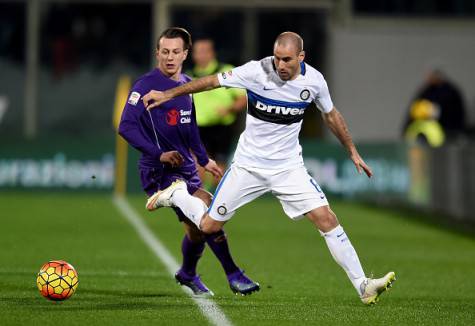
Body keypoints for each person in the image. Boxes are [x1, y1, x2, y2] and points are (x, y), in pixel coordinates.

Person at [143, 31, 396, 305]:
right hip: (248, 166)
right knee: (208, 225)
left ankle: (364, 285)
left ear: (301, 57)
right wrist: (169, 93)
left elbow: (330, 115)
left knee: (327, 218)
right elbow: (210, 83)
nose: (281, 65)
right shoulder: (256, 71)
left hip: (288, 169)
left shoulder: (314, 82)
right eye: (277, 59)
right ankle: (177, 195)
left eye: (287, 60)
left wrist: (352, 150)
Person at [118, 27, 259, 297]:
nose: (170, 57)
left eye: (175, 52)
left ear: (185, 54)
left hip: (185, 168)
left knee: (197, 232)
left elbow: (190, 125)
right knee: (207, 212)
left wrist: (204, 159)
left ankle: (187, 273)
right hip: (159, 170)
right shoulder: (145, 86)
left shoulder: (186, 84)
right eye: (165, 52)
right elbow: (126, 126)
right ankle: (233, 274)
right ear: (157, 53)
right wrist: (157, 153)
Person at [187, 38, 247, 189]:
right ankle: (199, 207)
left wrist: (229, 109)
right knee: (197, 169)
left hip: (221, 128)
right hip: (197, 128)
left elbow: (243, 98)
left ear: (212, 53)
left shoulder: (226, 71)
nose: (200, 55)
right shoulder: (188, 76)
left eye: (204, 51)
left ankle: (220, 205)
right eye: (197, 52)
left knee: (218, 173)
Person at [403, 68, 467, 146]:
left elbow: (456, 114)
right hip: (427, 140)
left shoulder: (449, 92)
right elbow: (413, 111)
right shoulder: (426, 91)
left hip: (448, 134)